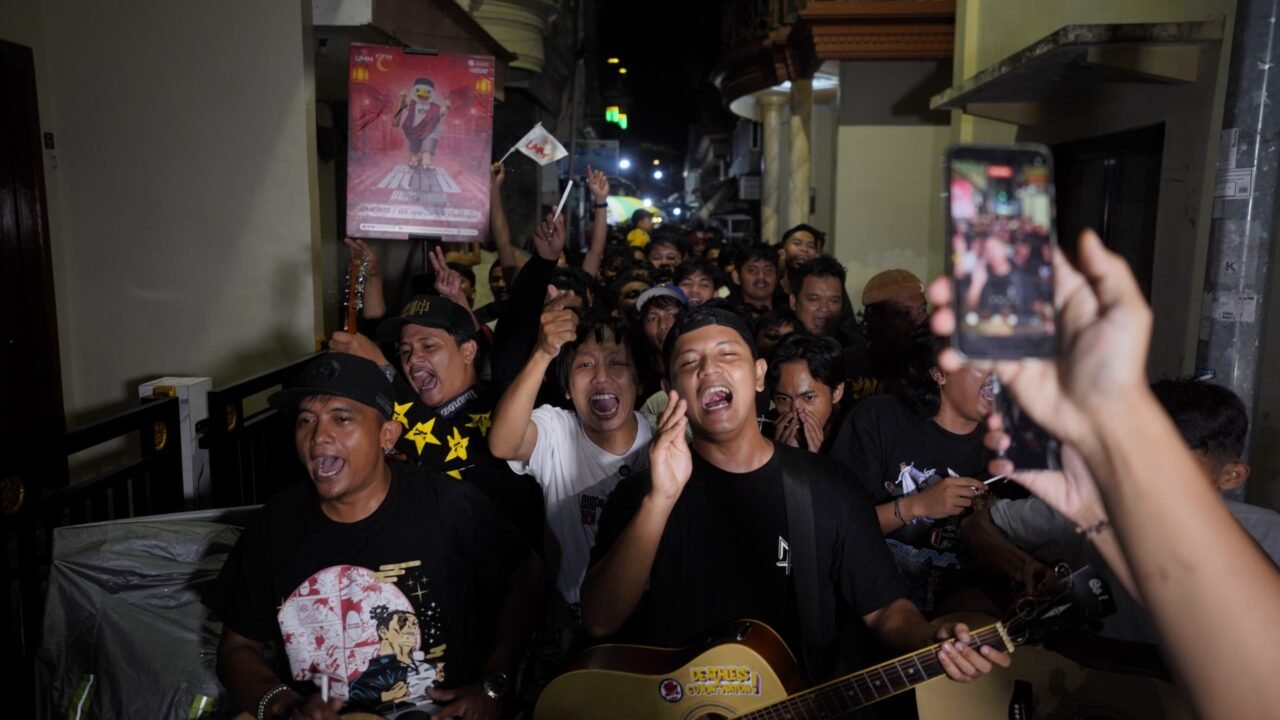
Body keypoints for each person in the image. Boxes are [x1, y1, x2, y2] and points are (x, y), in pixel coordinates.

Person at [930, 229, 1280, 718]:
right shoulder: (1091, 508)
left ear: (1232, 475)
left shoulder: (1268, 537)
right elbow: (981, 529)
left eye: (1175, 463)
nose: (1152, 475)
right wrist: (1054, 546)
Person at [581, 305, 1010, 694]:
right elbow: (600, 620)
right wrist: (660, 499)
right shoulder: (641, 494)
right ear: (669, 388)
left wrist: (930, 639)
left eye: (727, 355)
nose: (710, 370)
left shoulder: (827, 489)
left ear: (759, 375)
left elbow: (885, 611)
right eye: (690, 362)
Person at [215, 354, 544, 720]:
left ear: (387, 435)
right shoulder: (274, 526)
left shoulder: (447, 506)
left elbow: (527, 575)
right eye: (306, 420)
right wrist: (282, 705)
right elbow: (237, 648)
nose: (318, 436)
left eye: (342, 418)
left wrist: (494, 684)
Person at [488, 293, 652, 690]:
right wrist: (544, 352)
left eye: (617, 363)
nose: (601, 377)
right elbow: (503, 443)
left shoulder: (663, 441)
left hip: (647, 629)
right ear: (565, 387)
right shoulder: (557, 430)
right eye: (584, 365)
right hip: (568, 630)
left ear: (639, 380)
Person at [330, 292, 545, 551]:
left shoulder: (501, 407)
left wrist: (384, 370)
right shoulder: (404, 420)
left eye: (428, 346)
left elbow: (453, 449)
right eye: (405, 351)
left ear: (468, 351)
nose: (412, 359)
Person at [829, 331, 996, 614]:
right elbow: (836, 530)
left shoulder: (1010, 441)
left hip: (968, 602)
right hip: (881, 601)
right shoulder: (878, 420)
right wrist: (918, 505)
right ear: (939, 373)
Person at [766, 333, 847, 456]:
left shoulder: (855, 439)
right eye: (783, 399)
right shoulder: (761, 432)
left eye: (808, 398)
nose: (795, 411)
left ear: (836, 392)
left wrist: (816, 461)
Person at [860, 269, 928, 395]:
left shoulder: (934, 365)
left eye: (922, 310)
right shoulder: (847, 366)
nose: (918, 321)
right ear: (874, 318)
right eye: (904, 313)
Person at [790, 255, 852, 341]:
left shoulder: (853, 345)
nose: (824, 308)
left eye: (834, 301)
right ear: (793, 302)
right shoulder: (777, 343)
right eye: (814, 299)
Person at [731, 243, 785, 318]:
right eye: (752, 270)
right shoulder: (726, 315)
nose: (761, 277)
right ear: (737, 276)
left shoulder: (788, 314)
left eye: (768, 270)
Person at [778, 224, 825, 294]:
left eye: (810, 246)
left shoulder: (823, 290)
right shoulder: (769, 291)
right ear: (783, 252)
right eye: (797, 243)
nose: (804, 249)